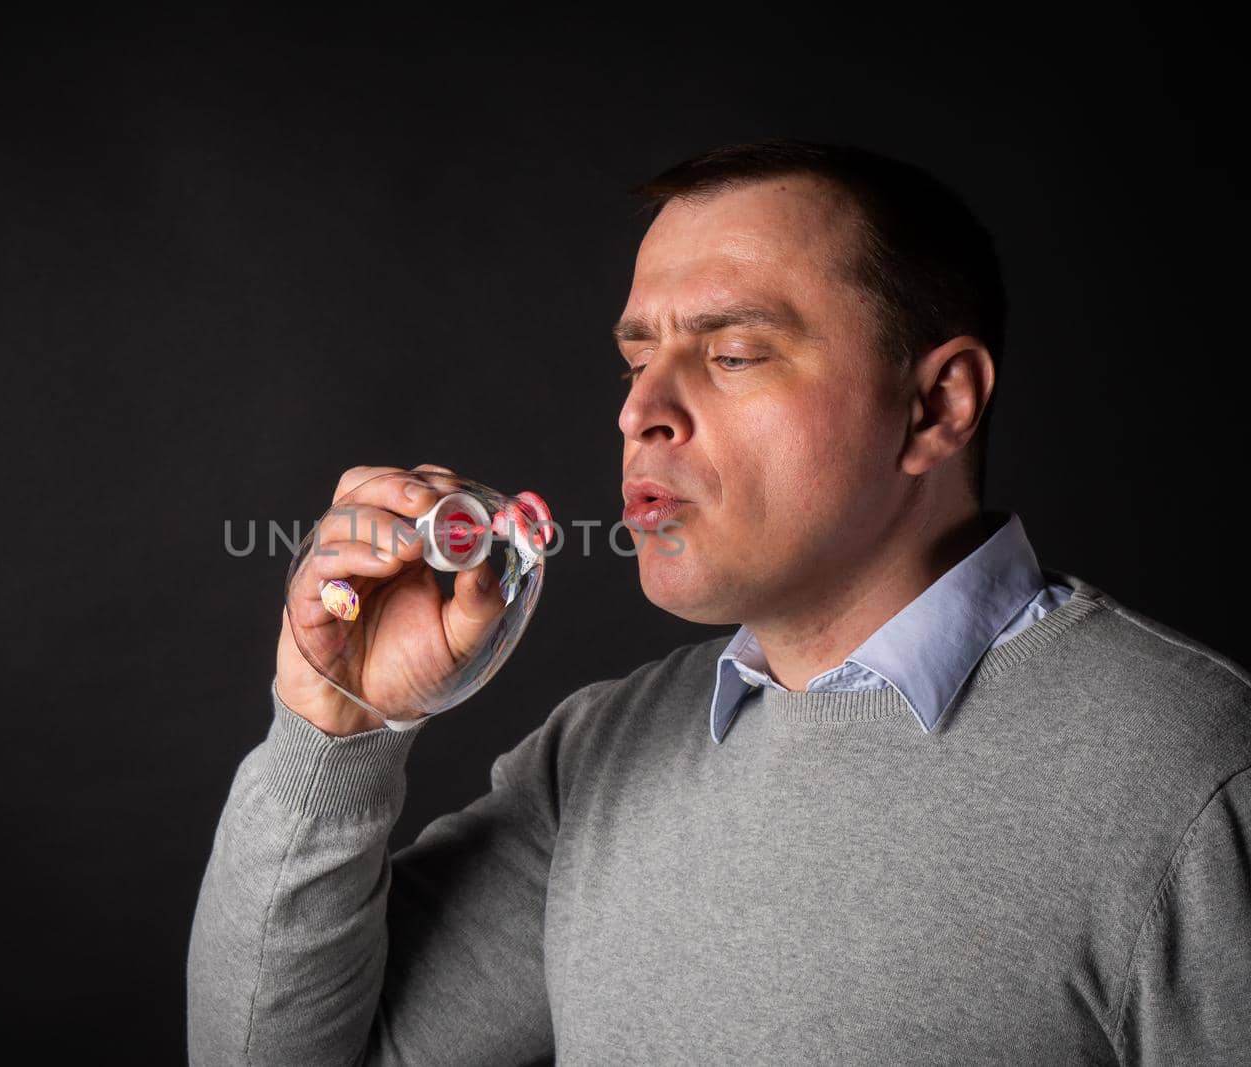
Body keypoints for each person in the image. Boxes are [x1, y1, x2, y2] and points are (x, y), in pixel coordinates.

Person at [186, 140, 1251, 1064]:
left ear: (936, 404)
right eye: (634, 360)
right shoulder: (599, 754)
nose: (641, 410)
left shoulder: (1191, 773)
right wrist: (335, 723)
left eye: (732, 351)